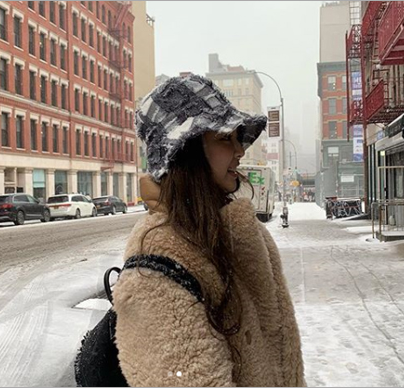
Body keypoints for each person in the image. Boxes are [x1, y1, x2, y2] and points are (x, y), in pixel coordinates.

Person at [112, 75, 305, 387]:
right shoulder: (156, 269)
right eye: (225, 139)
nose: (240, 151)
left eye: (238, 139)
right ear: (185, 151)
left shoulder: (239, 232)